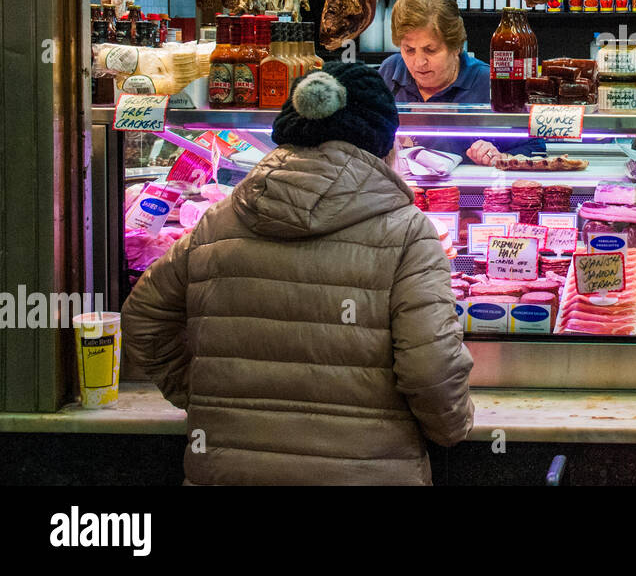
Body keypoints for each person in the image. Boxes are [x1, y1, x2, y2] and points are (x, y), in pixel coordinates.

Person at [122, 63, 475, 485]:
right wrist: (451, 430)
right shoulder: (408, 233)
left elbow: (142, 318)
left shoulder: (218, 222)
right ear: (385, 146)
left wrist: (201, 395)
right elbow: (430, 370)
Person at [378, 0, 542, 164]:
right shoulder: (390, 72)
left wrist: (501, 156)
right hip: (402, 188)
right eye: (409, 50)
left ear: (456, 46)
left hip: (468, 190)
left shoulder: (488, 82)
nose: (419, 62)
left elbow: (536, 146)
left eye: (430, 50)